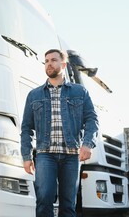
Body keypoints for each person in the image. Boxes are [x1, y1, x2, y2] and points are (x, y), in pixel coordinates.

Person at [20, 49, 99, 217]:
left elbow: (92, 119)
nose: (49, 63)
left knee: (68, 204)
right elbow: (26, 128)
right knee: (44, 200)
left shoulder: (79, 92)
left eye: (54, 60)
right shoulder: (34, 95)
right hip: (45, 155)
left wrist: (87, 143)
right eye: (46, 60)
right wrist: (26, 156)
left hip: (71, 155)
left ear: (63, 65)